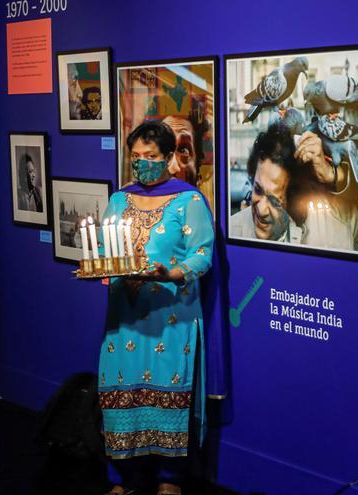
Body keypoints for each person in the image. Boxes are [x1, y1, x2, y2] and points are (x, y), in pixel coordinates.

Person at [99, 121, 215, 495]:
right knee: (122, 392)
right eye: (136, 156)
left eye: (150, 156)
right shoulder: (120, 199)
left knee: (168, 390)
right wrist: (102, 265)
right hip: (125, 318)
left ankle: (170, 478)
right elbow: (105, 250)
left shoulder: (189, 200)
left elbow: (203, 255)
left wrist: (172, 273)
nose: (142, 163)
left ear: (168, 158)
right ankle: (125, 477)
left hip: (171, 316)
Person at [229, 122, 358, 250]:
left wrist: (332, 173)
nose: (261, 210)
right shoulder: (234, 228)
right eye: (258, 189)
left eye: (275, 200)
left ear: (294, 196)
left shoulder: (338, 217)